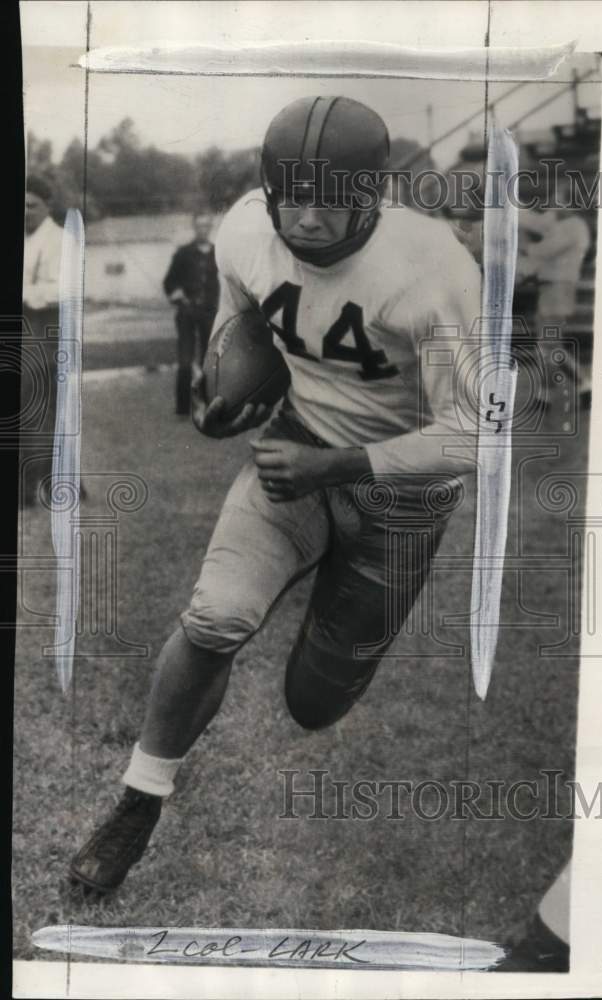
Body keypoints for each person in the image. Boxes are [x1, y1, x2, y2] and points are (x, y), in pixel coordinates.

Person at [69, 95, 481, 894]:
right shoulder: (246, 230)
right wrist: (223, 396)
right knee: (214, 617)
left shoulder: (434, 270)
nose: (308, 218)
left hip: (399, 499)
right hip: (296, 446)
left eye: (330, 199)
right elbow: (240, 327)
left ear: (373, 195)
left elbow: (476, 434)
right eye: (291, 196)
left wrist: (338, 466)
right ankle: (139, 801)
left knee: (313, 703)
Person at [517, 189, 591, 408]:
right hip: (550, 288)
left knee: (549, 345)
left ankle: (549, 393)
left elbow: (542, 250)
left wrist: (523, 243)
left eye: (557, 200)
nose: (551, 203)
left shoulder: (574, 226)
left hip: (559, 289)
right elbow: (535, 221)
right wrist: (515, 211)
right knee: (549, 345)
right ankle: (580, 386)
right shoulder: (563, 223)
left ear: (570, 203)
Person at [21, 174, 64, 508]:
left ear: (47, 205)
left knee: (34, 412)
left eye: (32, 205)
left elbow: (62, 290)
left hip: (43, 335)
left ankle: (29, 488)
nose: (25, 212)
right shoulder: (27, 237)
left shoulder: (59, 240)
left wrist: (23, 293)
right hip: (22, 334)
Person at [163, 210, 220, 415]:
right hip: (186, 312)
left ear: (211, 228)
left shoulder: (219, 253)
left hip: (210, 313)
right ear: (194, 228)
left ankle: (207, 403)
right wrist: (176, 294)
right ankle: (183, 408)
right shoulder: (183, 253)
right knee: (185, 360)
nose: (203, 229)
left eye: (206, 225)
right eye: (199, 225)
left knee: (209, 360)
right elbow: (169, 282)